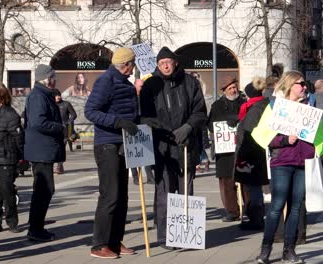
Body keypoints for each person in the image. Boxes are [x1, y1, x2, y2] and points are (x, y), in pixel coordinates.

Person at [140, 46, 207, 250]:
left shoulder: (190, 82)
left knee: (186, 192)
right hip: (162, 148)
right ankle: (165, 237)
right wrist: (162, 132)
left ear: (175, 62)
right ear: (157, 65)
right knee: (165, 193)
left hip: (187, 147)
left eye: (168, 61)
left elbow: (200, 111)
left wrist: (188, 128)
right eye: (161, 63)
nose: (165, 65)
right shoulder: (151, 85)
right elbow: (145, 116)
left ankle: (185, 234)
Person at [256, 71, 320, 264]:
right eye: (301, 83)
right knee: (276, 206)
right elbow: (263, 135)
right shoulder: (275, 106)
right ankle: (265, 251)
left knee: (296, 208)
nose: (305, 87)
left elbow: (317, 134)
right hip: (282, 162)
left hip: (302, 163)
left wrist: (314, 149)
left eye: (305, 84)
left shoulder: (308, 107)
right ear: (290, 85)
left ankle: (289, 251)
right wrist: (284, 139)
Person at [85, 47, 139, 259]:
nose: (133, 67)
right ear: (125, 64)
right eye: (132, 64)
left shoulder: (123, 82)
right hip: (107, 145)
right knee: (110, 195)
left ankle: (115, 241)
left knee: (122, 196)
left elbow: (126, 111)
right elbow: (91, 111)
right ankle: (99, 244)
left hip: (122, 143)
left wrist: (139, 121)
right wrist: (118, 122)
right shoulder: (106, 80)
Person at [24, 64, 65, 242]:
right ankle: (35, 229)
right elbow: (38, 122)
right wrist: (59, 127)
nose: (55, 79)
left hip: (43, 149)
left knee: (44, 190)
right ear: (46, 79)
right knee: (43, 190)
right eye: (53, 76)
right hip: (41, 150)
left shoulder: (42, 94)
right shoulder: (38, 96)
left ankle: (37, 227)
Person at [0, 82, 24, 234]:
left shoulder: (11, 115)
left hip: (6, 160)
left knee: (7, 192)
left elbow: (18, 138)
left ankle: (12, 222)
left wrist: (21, 159)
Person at [208, 75, 245, 222]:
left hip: (242, 149)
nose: (233, 90)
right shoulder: (217, 106)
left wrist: (237, 118)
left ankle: (249, 208)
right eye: (230, 88)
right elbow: (211, 124)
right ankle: (232, 211)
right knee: (226, 182)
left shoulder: (244, 102)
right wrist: (226, 122)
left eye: (234, 87)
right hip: (224, 151)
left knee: (246, 180)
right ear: (224, 91)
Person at [235, 76, 269, 230]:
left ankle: (257, 219)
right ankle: (257, 217)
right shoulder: (264, 105)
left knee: (254, 188)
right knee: (256, 188)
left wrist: (242, 153)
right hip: (259, 153)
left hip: (253, 155)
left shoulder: (254, 109)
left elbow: (247, 133)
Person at [53, 90, 77, 174]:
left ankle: (60, 166)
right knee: (54, 148)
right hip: (53, 129)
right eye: (56, 95)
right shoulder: (50, 104)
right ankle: (51, 165)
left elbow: (74, 114)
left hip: (64, 129)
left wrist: (68, 122)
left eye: (59, 95)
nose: (58, 97)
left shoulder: (66, 104)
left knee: (62, 147)